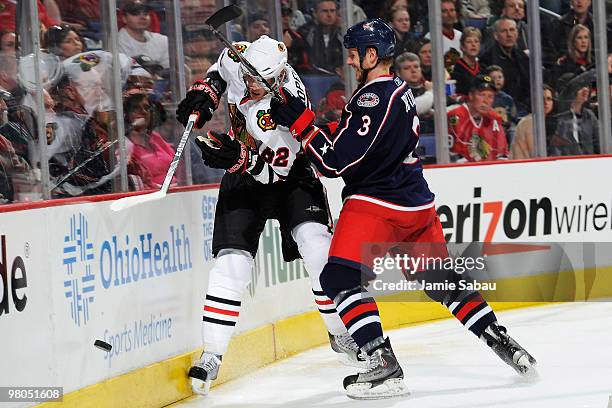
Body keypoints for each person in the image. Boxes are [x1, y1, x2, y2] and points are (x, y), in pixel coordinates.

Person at [269, 19, 536, 399]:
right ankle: (502, 341)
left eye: (354, 51)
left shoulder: (371, 97)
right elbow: (360, 143)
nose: (349, 57)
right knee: (441, 283)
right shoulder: (398, 89)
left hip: (378, 205)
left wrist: (301, 122)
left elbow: (334, 164)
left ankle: (381, 363)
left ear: (372, 54)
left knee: (339, 281)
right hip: (416, 204)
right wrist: (311, 126)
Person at [175, 35, 365, 396]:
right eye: (247, 76)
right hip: (244, 173)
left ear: (277, 78)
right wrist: (207, 92)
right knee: (231, 262)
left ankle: (340, 334)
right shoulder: (244, 59)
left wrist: (237, 158)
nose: (249, 83)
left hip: (289, 176)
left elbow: (274, 173)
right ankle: (212, 353)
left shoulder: (286, 108)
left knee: (316, 248)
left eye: (257, 80)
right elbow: (221, 68)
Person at [448, 74, 509, 161]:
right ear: (471, 95)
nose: (486, 101)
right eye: (482, 94)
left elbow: (502, 155)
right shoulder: (455, 116)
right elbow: (455, 157)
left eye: (490, 96)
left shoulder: (495, 118)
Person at [118, 0, 170, 69]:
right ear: (124, 19)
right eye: (135, 13)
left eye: (145, 13)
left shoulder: (162, 40)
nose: (143, 17)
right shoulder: (117, 41)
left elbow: (167, 69)